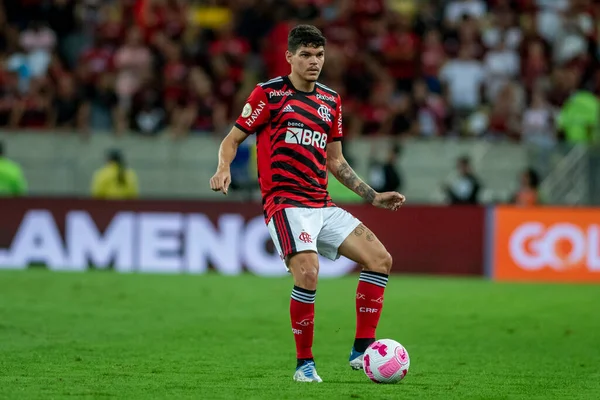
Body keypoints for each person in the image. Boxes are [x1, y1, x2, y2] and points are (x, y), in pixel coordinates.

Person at [209, 25, 405, 383]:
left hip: (322, 204)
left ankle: (362, 350)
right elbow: (232, 138)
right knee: (309, 272)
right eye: (306, 55)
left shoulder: (331, 101)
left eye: (319, 55)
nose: (314, 62)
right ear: (289, 57)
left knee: (381, 259)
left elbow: (336, 161)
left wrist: (373, 195)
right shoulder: (268, 95)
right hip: (285, 204)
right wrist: (223, 168)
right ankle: (304, 365)